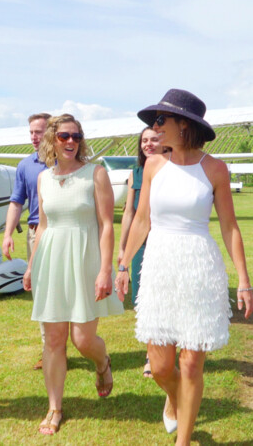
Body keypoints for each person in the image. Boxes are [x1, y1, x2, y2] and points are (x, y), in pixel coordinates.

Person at [115, 89, 253, 446]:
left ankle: (184, 441)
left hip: (199, 266)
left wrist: (244, 280)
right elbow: (143, 219)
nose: (155, 127)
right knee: (161, 367)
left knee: (192, 363)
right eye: (154, 121)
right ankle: (176, 399)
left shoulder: (215, 169)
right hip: (160, 264)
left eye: (162, 120)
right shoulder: (153, 166)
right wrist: (123, 265)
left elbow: (229, 226)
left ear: (184, 124)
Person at [22, 114, 124, 436]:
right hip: (50, 260)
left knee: (81, 339)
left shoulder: (95, 174)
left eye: (76, 136)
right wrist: (31, 265)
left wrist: (105, 269)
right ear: (53, 139)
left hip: (85, 259)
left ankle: (102, 361)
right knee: (53, 340)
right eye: (64, 136)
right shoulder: (43, 179)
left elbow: (107, 225)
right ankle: (54, 407)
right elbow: (43, 226)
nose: (71, 142)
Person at [2, 112, 51, 370]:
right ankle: (49, 350)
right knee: (41, 293)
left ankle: (63, 345)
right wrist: (8, 233)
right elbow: (16, 202)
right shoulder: (25, 166)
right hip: (35, 233)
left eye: (40, 131)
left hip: (63, 232)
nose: (35, 136)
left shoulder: (66, 163)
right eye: (31, 132)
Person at [116, 126, 163, 378]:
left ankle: (153, 356)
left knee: (163, 298)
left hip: (164, 242)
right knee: (143, 301)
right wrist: (123, 248)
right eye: (144, 140)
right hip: (141, 245)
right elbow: (129, 213)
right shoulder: (136, 172)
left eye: (154, 139)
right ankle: (152, 351)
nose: (148, 144)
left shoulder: (170, 169)